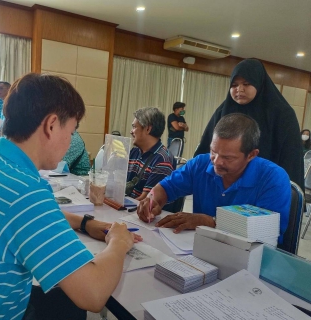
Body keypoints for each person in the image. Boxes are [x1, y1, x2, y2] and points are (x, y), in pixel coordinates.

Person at [0, 74, 141, 320]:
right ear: (52, 125)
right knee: (73, 303)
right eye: (71, 131)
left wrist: (84, 223)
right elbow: (94, 294)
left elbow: (18, 214)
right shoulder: (25, 190)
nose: (70, 142)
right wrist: (119, 241)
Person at [137, 113, 291, 244]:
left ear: (251, 155)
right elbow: (165, 188)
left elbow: (265, 233)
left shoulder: (273, 179)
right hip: (198, 249)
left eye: (227, 158)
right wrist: (152, 200)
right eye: (213, 151)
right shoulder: (201, 164)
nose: (216, 161)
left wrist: (210, 222)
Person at [194, 58, 303, 190]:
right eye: (234, 85)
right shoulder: (224, 110)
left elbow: (290, 157)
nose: (239, 89)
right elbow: (206, 147)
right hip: (223, 183)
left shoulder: (281, 113)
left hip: (264, 186)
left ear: (259, 83)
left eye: (246, 84)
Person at [127, 107, 173, 200]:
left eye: (134, 127)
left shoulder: (162, 160)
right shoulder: (135, 151)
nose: (131, 131)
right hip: (126, 208)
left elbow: (145, 201)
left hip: (139, 212)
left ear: (148, 129)